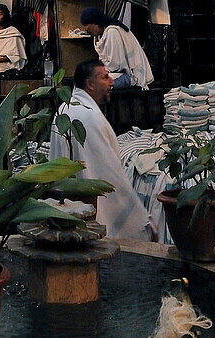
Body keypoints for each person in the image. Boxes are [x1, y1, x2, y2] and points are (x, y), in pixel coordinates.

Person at [49, 59, 155, 241]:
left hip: (65, 218)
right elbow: (110, 174)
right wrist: (139, 219)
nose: (112, 82)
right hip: (89, 218)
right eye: (105, 77)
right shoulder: (89, 116)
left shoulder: (64, 109)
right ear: (90, 84)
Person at [80, 6, 154, 89]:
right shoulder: (100, 36)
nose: (86, 29)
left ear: (95, 23)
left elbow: (115, 66)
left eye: (86, 25)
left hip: (131, 75)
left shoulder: (112, 32)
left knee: (97, 85)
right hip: (116, 73)